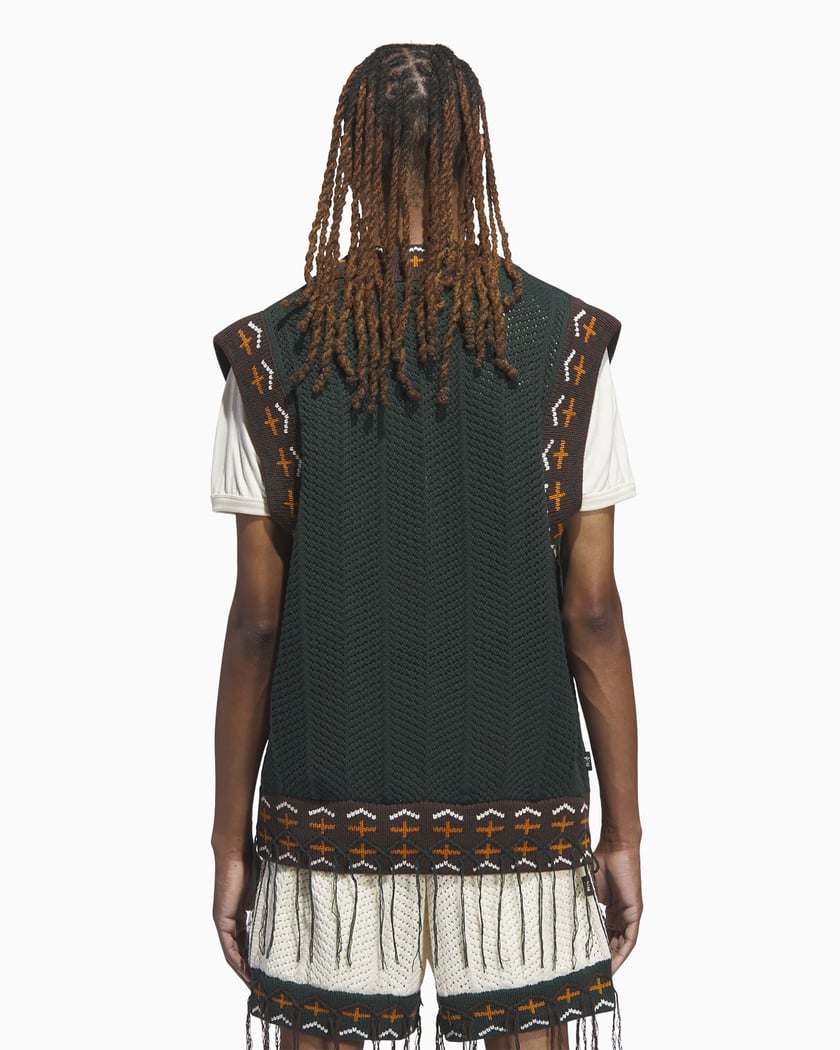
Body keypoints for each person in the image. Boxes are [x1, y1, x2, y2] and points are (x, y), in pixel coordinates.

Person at [209, 43, 641, 1050]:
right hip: (520, 803)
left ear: (350, 159)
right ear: (475, 151)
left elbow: (257, 625)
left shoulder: (271, 356)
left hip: (327, 805)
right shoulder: (566, 345)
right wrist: (622, 831)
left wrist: (230, 839)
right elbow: (591, 611)